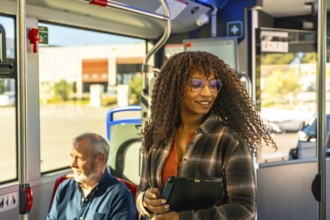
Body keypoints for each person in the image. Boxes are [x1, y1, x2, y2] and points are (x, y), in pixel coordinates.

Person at [136, 51, 277, 220]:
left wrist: (183, 218)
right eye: (196, 84)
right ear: (176, 87)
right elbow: (142, 189)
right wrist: (144, 201)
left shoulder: (230, 140)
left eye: (214, 85)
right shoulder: (155, 136)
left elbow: (245, 210)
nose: (207, 93)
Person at [47, 132, 137, 220]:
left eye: (79, 158)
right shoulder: (64, 188)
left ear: (100, 159)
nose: (72, 164)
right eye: (72, 157)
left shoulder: (119, 195)